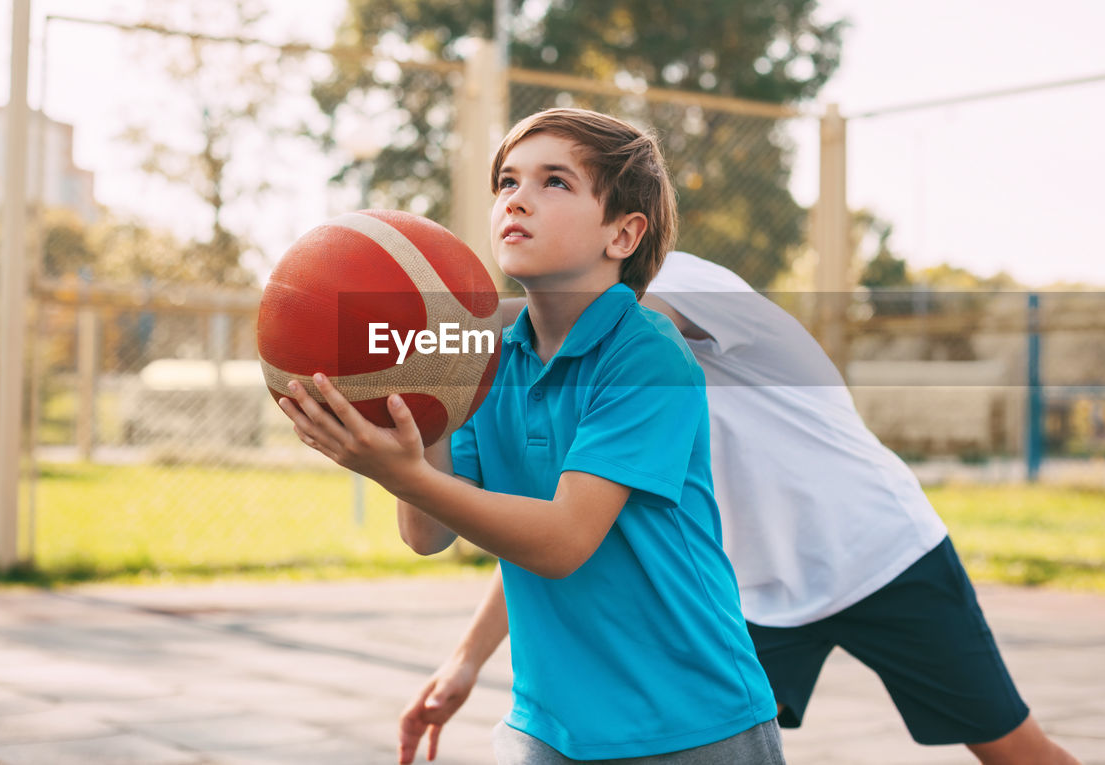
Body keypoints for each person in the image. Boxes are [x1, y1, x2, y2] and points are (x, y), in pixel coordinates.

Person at [398, 251, 1080, 765]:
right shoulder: (564, 370)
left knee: (1013, 750)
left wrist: (435, 330)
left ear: (623, 226)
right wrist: (466, 659)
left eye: (558, 183)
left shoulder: (680, 285)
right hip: (755, 593)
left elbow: (602, 319)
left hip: (876, 554)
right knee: (700, 726)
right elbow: (563, 526)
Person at [280, 109, 785, 764]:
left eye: (555, 182)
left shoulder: (646, 355)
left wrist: (404, 474)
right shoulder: (483, 357)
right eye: (507, 181)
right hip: (549, 723)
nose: (517, 198)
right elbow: (427, 532)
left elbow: (563, 539)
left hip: (688, 720)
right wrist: (412, 428)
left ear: (623, 233)